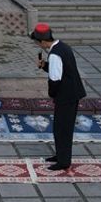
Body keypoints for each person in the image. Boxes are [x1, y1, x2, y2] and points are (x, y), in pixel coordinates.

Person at [31, 23, 86, 171]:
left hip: (66, 95)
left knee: (62, 128)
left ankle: (64, 161)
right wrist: (44, 66)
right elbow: (62, 70)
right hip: (72, 92)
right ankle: (61, 155)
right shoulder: (63, 46)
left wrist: (52, 94)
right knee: (61, 127)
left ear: (43, 41)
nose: (38, 45)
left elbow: (55, 79)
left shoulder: (54, 54)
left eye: (37, 42)